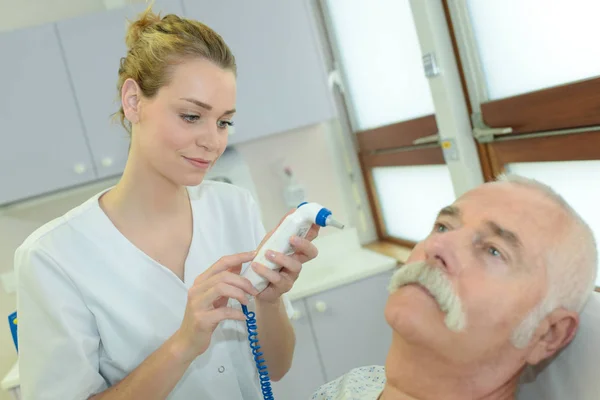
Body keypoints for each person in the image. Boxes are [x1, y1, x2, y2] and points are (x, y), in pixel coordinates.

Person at [15, 7, 320, 400]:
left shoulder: (234, 206)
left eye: (224, 122)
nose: (213, 141)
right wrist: (183, 343)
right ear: (133, 101)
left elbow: (278, 366)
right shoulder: (51, 258)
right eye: (192, 116)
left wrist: (270, 300)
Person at [311, 174, 598, 400]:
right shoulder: (348, 388)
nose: (436, 245)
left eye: (493, 250)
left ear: (547, 335)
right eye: (444, 226)